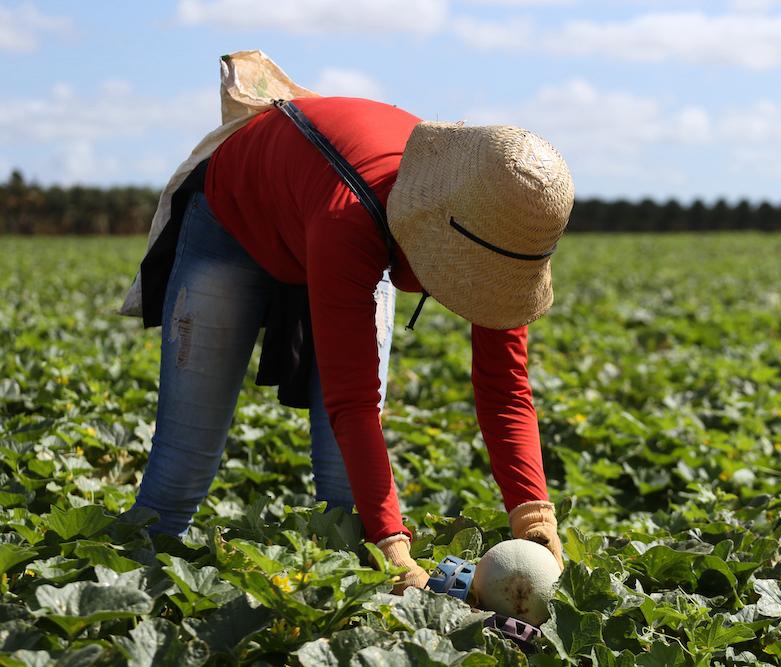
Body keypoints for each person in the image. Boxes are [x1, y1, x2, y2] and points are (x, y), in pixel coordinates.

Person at [128, 93, 574, 592]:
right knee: (181, 469)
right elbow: (353, 401)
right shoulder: (359, 218)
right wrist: (392, 545)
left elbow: (505, 389)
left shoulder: (505, 226)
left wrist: (535, 518)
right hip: (237, 224)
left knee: (346, 497)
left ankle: (335, 615)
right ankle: (136, 598)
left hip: (336, 212)